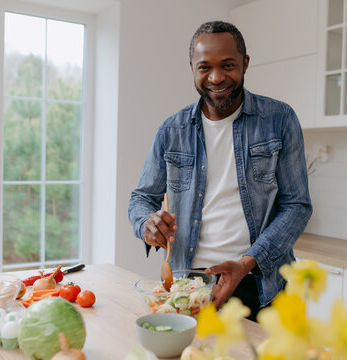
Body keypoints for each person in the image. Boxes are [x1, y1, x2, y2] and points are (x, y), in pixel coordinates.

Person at [128, 20, 312, 321]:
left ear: (245, 64)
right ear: (192, 67)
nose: (216, 77)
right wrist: (146, 225)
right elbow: (141, 198)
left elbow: (297, 206)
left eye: (228, 65)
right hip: (188, 287)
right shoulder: (171, 130)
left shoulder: (279, 120)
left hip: (261, 283)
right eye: (205, 67)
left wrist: (246, 263)